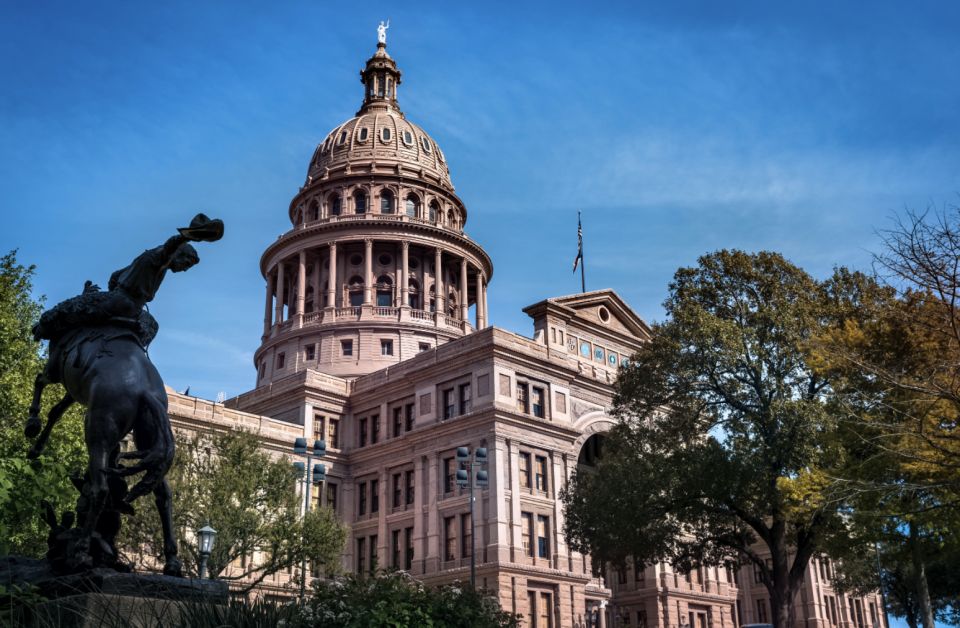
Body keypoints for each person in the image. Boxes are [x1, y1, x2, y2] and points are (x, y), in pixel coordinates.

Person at [33, 213, 223, 345]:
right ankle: (43, 325)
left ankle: (45, 326)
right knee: (73, 306)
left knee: (76, 304)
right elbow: (171, 246)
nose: (183, 270)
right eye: (185, 265)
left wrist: (110, 292)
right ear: (179, 255)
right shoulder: (161, 258)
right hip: (128, 306)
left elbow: (115, 276)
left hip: (125, 303)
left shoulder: (147, 257)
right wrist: (187, 236)